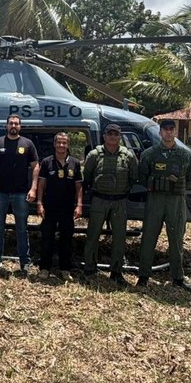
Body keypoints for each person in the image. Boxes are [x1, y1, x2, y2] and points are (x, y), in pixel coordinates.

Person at [137, 119, 191, 292]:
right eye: (165, 129)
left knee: (176, 239)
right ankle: (143, 276)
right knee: (148, 237)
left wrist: (179, 186)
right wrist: (155, 184)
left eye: (171, 129)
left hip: (176, 201)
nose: (169, 132)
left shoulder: (186, 155)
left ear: (176, 132)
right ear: (160, 132)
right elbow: (141, 177)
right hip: (155, 200)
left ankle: (178, 278)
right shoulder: (149, 154)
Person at [82, 123, 138, 287]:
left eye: (116, 134)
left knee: (119, 238)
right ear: (104, 136)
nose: (113, 136)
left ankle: (116, 271)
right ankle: (90, 268)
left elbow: (133, 177)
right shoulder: (94, 155)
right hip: (99, 200)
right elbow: (87, 176)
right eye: (110, 133)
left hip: (119, 201)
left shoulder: (128, 156)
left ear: (120, 137)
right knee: (93, 235)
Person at [0, 115, 39, 275]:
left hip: (21, 193)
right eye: (11, 123)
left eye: (16, 123)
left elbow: (36, 166)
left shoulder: (28, 144)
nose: (13, 126)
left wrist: (33, 188)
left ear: (20, 126)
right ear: (6, 125)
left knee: (22, 228)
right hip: (0, 192)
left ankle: (24, 263)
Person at [36, 132, 83, 279]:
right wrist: (39, 203)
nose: (61, 145)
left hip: (67, 207)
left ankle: (65, 269)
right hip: (49, 206)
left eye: (64, 143)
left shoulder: (75, 163)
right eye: (59, 142)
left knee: (66, 238)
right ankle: (44, 268)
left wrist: (79, 205)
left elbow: (79, 186)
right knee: (47, 238)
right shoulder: (46, 162)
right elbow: (41, 184)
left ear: (68, 145)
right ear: (54, 144)